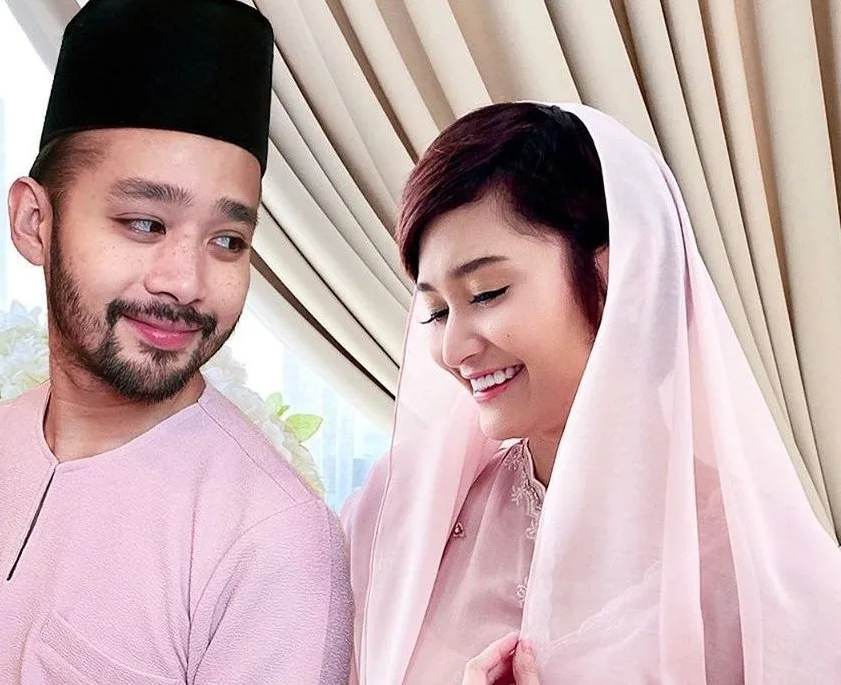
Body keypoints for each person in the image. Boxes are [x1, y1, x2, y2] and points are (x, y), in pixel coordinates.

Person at [0, 1, 353, 683]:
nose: (185, 281)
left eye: (227, 240)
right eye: (145, 224)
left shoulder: (274, 539)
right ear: (34, 221)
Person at [342, 101, 841, 684]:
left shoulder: (759, 576)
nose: (453, 350)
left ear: (618, 278)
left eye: (486, 292)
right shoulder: (399, 515)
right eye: (435, 311)